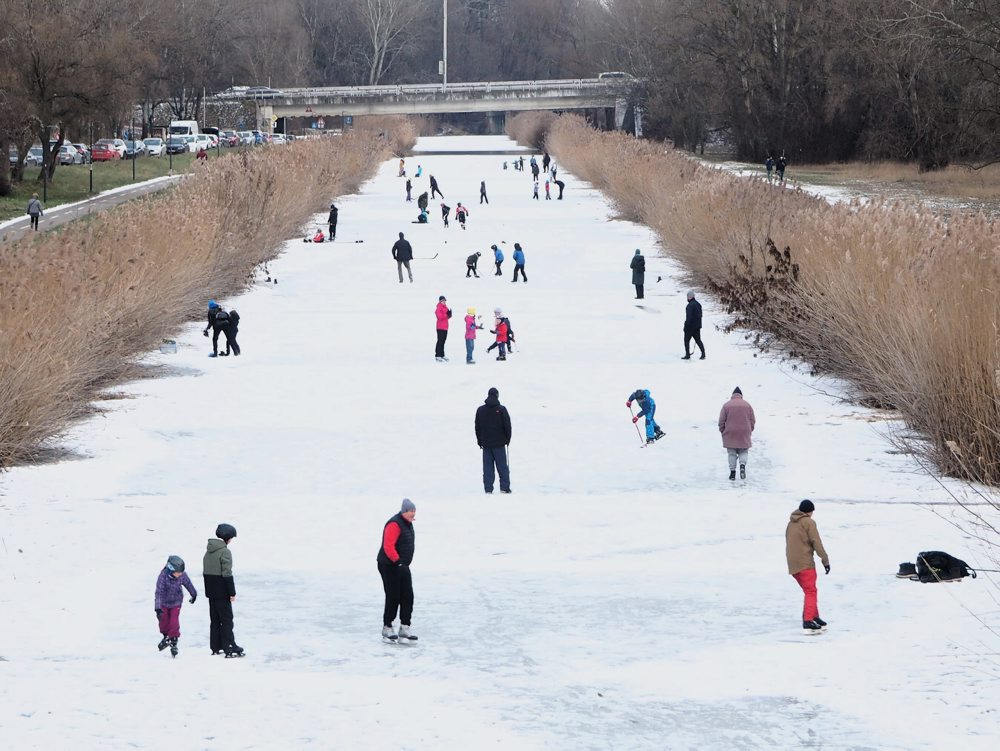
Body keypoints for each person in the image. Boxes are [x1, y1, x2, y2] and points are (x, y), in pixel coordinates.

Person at [785, 500, 830, 633]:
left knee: (809, 590)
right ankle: (808, 620)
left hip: (792, 563)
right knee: (811, 591)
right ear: (809, 511)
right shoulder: (809, 522)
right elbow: (816, 542)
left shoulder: (790, 523)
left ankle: (814, 616)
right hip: (805, 562)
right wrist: (825, 560)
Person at [377, 499, 418, 642]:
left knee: (408, 595)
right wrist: (397, 562)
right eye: (411, 511)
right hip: (389, 565)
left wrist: (402, 564)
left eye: (414, 511)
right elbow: (388, 546)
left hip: (402, 565)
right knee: (393, 595)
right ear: (404, 511)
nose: (414, 514)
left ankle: (404, 627)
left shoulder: (407, 523)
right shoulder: (394, 524)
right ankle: (387, 627)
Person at [203, 523, 243, 657]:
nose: (231, 540)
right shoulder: (225, 551)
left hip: (211, 593)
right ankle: (229, 646)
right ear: (227, 537)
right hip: (222, 592)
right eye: (231, 537)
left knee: (214, 620)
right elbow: (227, 573)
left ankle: (215, 646)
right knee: (226, 620)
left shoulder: (208, 551)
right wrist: (231, 592)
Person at [154, 555, 197, 658]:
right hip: (164, 603)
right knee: (163, 622)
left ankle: (173, 640)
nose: (180, 574)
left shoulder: (182, 575)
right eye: (178, 573)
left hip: (176, 602)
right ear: (170, 570)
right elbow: (159, 592)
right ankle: (166, 636)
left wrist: (193, 594)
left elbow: (188, 584)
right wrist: (158, 608)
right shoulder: (163, 576)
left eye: (181, 572)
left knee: (174, 621)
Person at [475, 387, 512, 493]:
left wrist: (480, 441)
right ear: (497, 395)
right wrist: (507, 440)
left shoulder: (480, 410)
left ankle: (488, 489)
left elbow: (477, 427)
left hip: (486, 445)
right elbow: (508, 427)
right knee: (502, 467)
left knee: (487, 469)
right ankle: (504, 488)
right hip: (499, 445)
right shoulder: (502, 409)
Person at [719, 387, 755, 480]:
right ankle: (742, 465)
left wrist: (723, 430)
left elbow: (721, 421)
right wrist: (750, 429)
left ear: (732, 395)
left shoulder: (726, 405)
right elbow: (752, 420)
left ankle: (732, 472)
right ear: (741, 395)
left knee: (731, 453)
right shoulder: (747, 405)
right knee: (744, 451)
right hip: (744, 432)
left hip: (730, 432)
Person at [683, 290, 706, 360]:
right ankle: (703, 353)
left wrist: (686, 326)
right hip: (697, 326)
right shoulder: (698, 304)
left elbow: (689, 317)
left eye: (687, 297)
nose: (687, 298)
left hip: (690, 327)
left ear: (689, 297)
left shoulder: (689, 306)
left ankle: (687, 355)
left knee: (686, 340)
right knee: (698, 340)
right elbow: (700, 315)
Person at [435, 295, 452, 361]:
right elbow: (439, 317)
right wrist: (446, 315)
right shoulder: (438, 308)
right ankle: (437, 355)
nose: (444, 301)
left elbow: (446, 317)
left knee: (443, 341)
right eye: (443, 300)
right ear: (440, 301)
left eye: (445, 300)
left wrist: (449, 315)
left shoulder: (446, 307)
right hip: (440, 327)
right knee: (440, 341)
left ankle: (442, 355)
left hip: (445, 327)